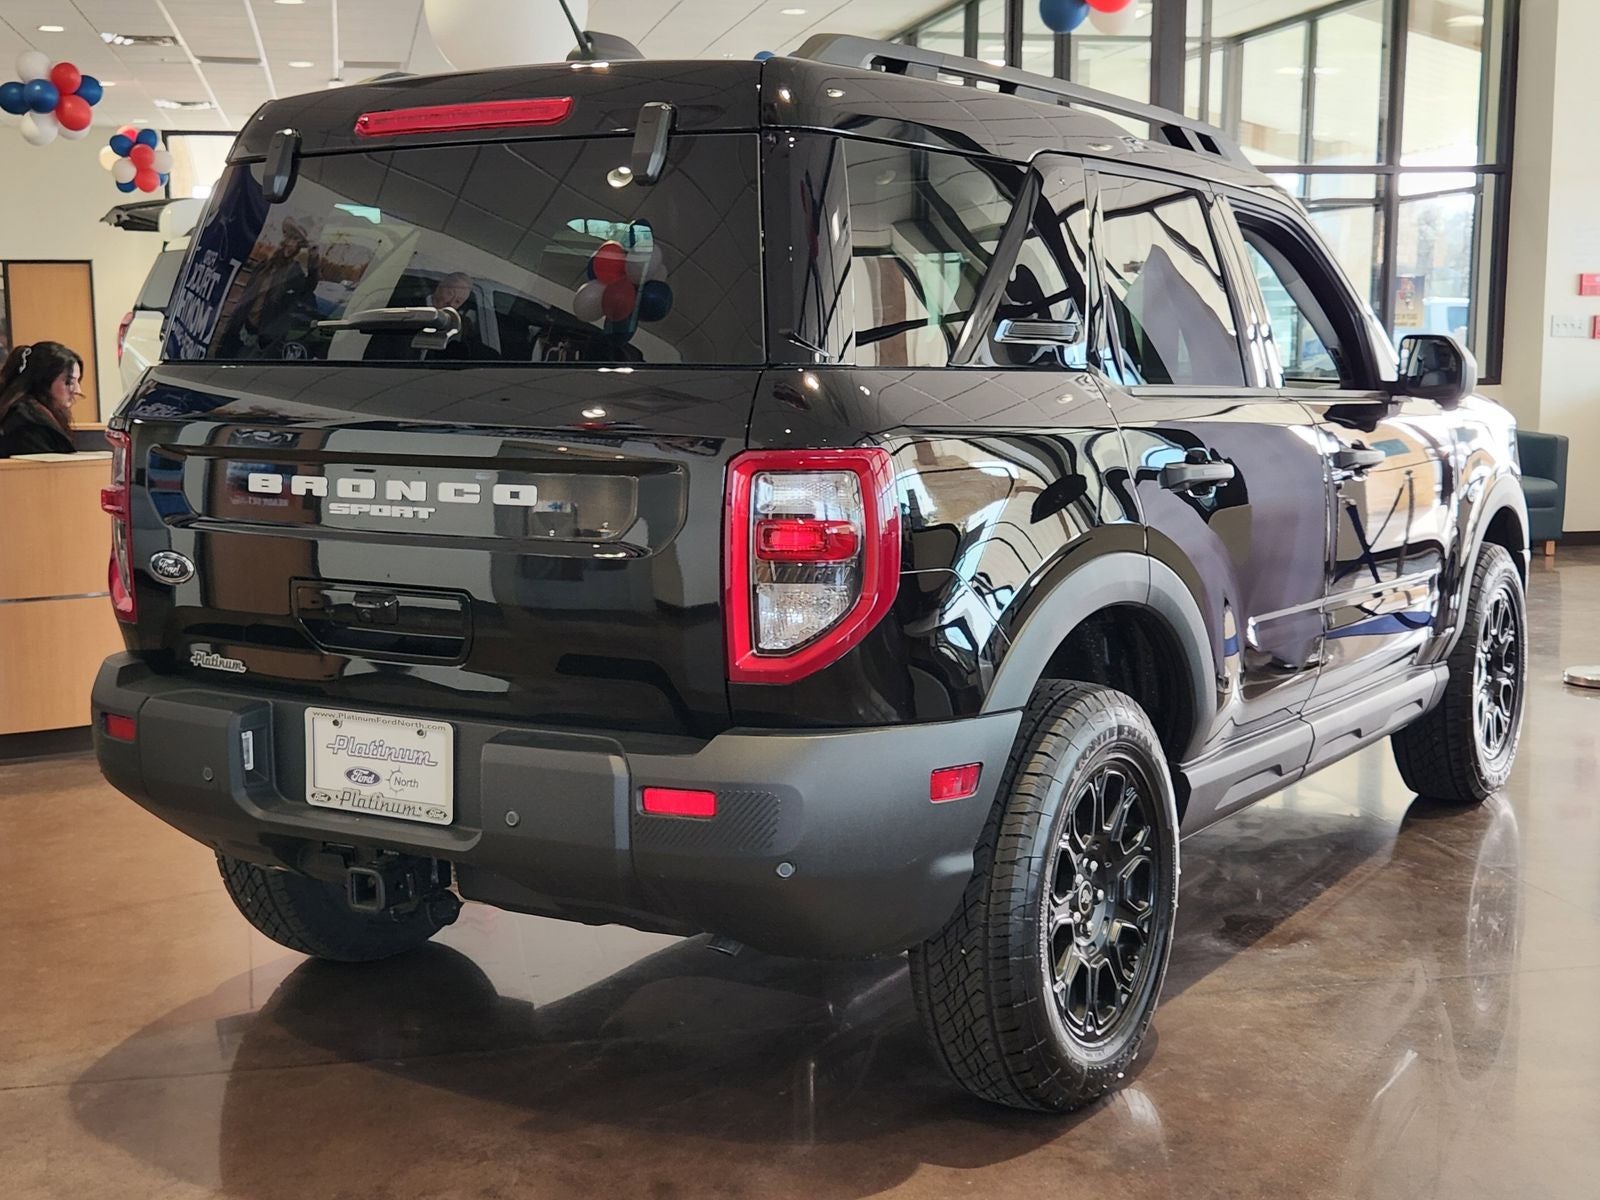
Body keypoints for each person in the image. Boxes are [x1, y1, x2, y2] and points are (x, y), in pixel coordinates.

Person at [215, 217, 321, 358]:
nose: (290, 244)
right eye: (289, 238)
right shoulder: (266, 265)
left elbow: (308, 288)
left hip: (262, 335)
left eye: (296, 241)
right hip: (240, 326)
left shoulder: (294, 273)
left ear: (299, 247)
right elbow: (248, 294)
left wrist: (313, 261)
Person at [0, 341, 83, 457]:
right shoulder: (27, 424)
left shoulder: (29, 415)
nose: (78, 391)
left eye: (77, 382)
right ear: (43, 381)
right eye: (69, 382)